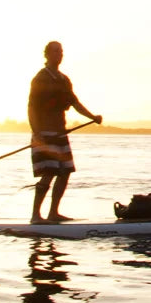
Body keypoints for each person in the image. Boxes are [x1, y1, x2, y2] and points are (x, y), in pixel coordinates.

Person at [28, 41, 101, 224]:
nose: (59, 54)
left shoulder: (63, 79)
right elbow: (31, 107)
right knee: (49, 172)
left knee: (64, 172)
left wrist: (92, 116)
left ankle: (53, 213)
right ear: (46, 54)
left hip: (60, 133)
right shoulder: (40, 78)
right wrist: (36, 132)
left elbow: (75, 103)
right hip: (44, 133)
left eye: (61, 51)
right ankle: (36, 216)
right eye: (55, 51)